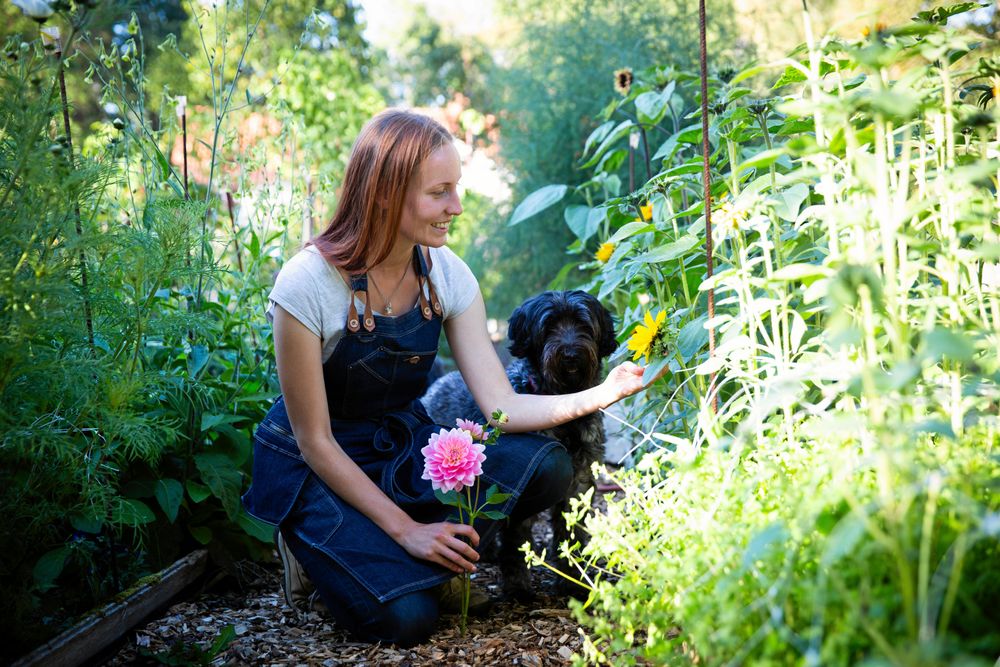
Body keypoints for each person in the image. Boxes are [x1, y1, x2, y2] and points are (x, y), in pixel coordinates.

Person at [241, 109, 648, 648]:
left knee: (545, 464)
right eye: (440, 192)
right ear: (386, 193)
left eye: (455, 189)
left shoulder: (446, 272)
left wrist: (603, 391)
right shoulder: (308, 283)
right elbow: (314, 441)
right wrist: (407, 530)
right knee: (407, 619)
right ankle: (324, 551)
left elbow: (501, 408)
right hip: (321, 464)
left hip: (401, 448)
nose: (456, 207)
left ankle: (405, 553)